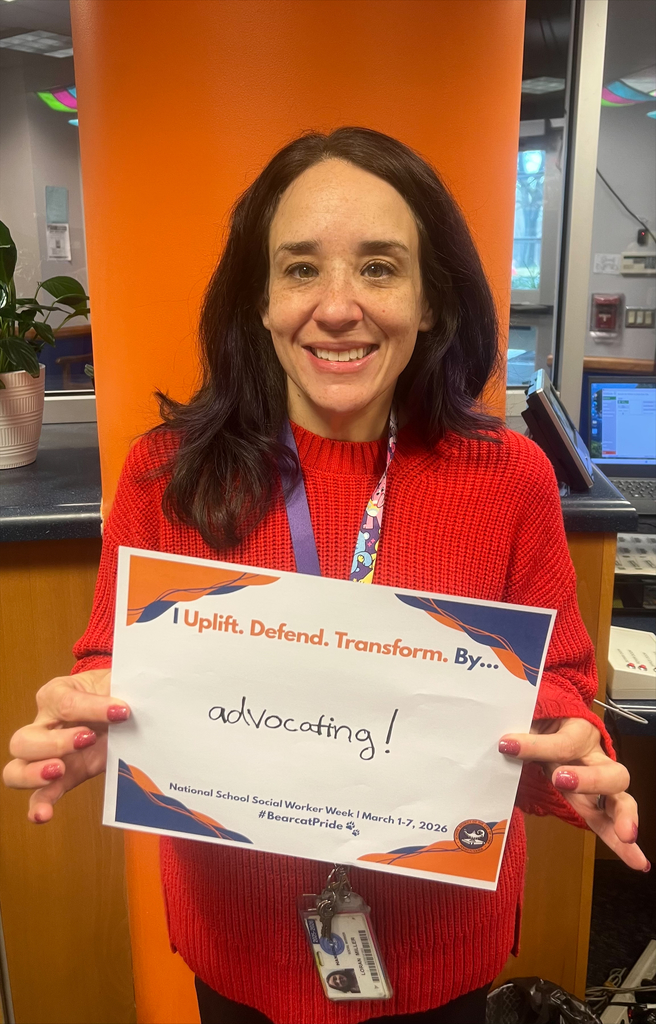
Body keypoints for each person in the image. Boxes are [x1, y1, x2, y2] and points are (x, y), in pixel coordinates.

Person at [4, 128, 648, 1024]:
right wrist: (92, 723)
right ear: (260, 300)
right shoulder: (165, 473)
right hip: (237, 945)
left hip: (441, 950)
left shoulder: (509, 479)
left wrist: (569, 755)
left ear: (430, 300)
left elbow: (561, 690)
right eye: (301, 269)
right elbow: (112, 665)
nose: (338, 307)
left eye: (379, 267)